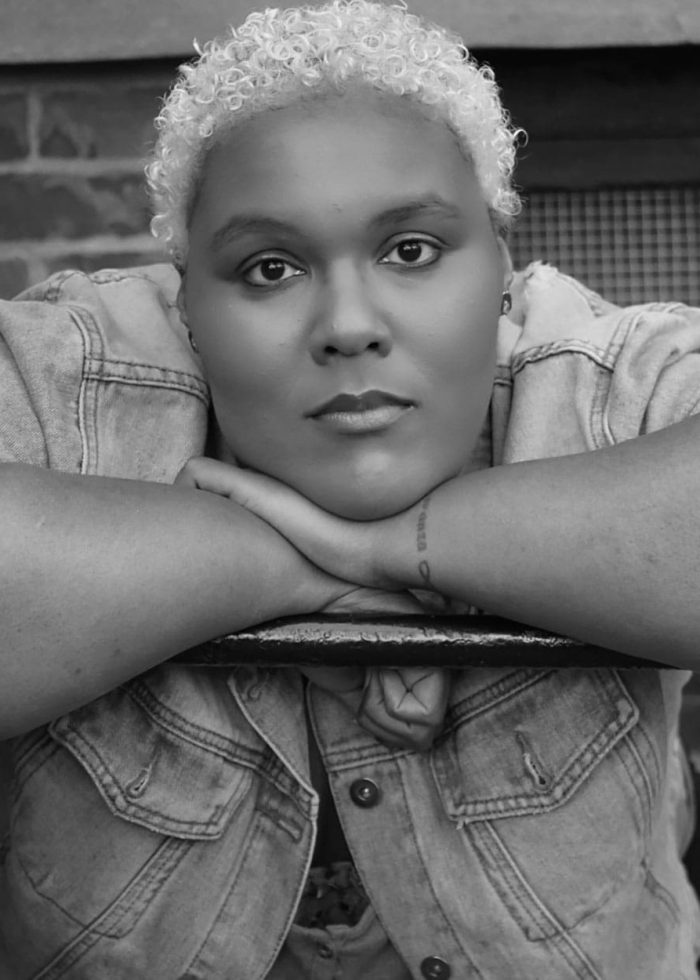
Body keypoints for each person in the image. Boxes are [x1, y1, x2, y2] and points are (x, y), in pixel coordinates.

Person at [1, 0, 699, 976]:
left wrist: (386, 544)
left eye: (409, 249)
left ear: (502, 269)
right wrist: (276, 564)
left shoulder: (595, 377)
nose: (347, 323)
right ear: (186, 301)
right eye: (270, 265)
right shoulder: (76, 377)